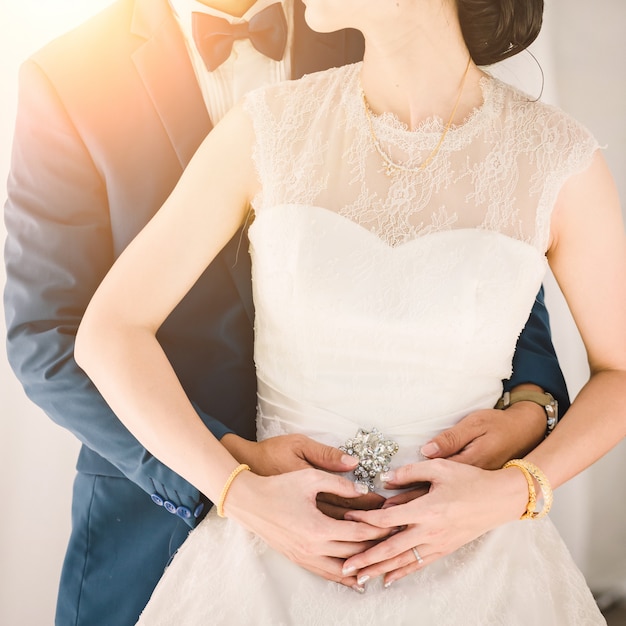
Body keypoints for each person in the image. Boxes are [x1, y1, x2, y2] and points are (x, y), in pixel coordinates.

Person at [4, 0, 569, 624]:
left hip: (422, 523)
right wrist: (228, 470)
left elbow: (487, 257)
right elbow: (46, 333)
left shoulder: (371, 25)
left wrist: (530, 406)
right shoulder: (68, 76)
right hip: (153, 512)